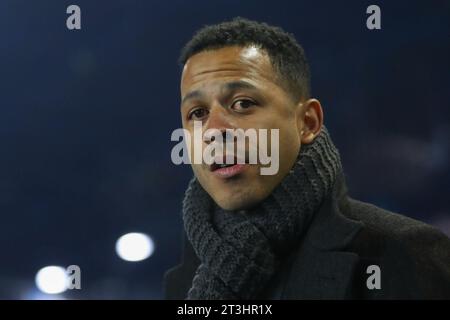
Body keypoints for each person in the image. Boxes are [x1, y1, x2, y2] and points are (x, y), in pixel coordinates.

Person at [164, 17, 450, 299]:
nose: (213, 131)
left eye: (242, 104)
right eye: (197, 113)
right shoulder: (183, 279)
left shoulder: (405, 254)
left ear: (308, 123)